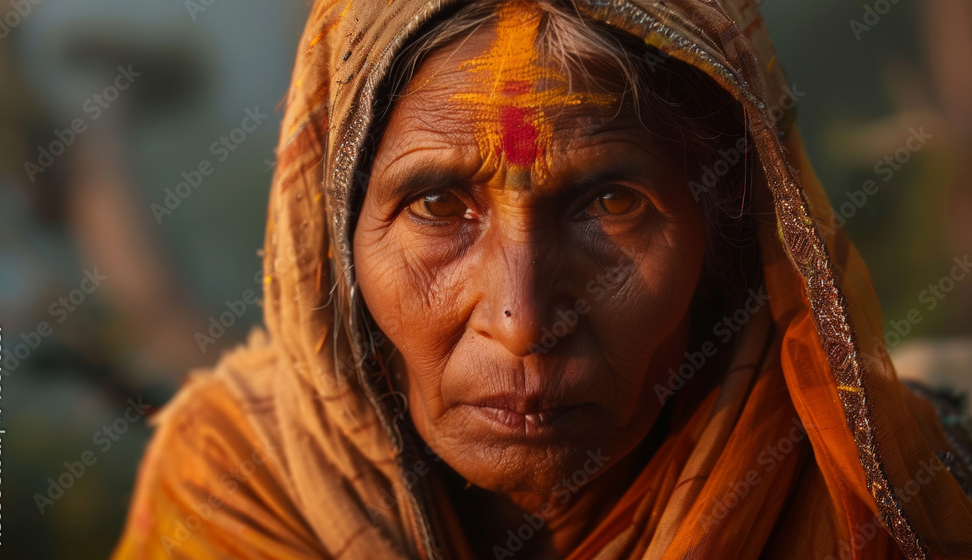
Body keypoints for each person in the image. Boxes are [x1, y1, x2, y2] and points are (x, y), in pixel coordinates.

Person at [112, 1, 972, 558]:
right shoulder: (230, 490)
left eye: (609, 204)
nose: (524, 320)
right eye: (438, 205)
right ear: (330, 244)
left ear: (730, 235)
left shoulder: (858, 502)